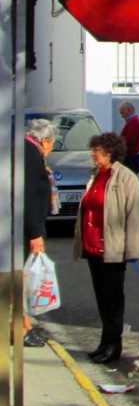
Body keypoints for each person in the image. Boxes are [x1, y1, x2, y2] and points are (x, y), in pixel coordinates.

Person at [73, 132, 139, 364]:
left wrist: (132, 251)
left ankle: (114, 346)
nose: (93, 154)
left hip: (113, 249)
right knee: (102, 299)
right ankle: (104, 343)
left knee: (113, 301)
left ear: (110, 152)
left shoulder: (125, 177)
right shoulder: (96, 175)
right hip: (93, 248)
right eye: (92, 149)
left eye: (97, 150)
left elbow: (135, 216)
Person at [22, 118, 58, 348]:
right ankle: (23, 328)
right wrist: (36, 234)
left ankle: (23, 326)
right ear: (44, 141)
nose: (50, 150)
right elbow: (30, 196)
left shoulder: (25, 150)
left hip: (20, 229)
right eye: (52, 145)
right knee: (21, 280)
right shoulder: (31, 156)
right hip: (22, 231)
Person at [118, 101, 139, 174]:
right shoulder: (133, 121)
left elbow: (130, 139)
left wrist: (117, 141)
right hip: (130, 157)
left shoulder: (134, 121)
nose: (122, 115)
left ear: (129, 110)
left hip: (130, 158)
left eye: (122, 113)